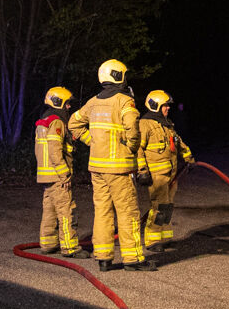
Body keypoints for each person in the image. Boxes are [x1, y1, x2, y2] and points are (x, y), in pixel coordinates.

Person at [69, 59, 149, 271]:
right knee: (127, 212)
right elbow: (132, 128)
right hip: (119, 169)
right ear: (118, 76)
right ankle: (133, 259)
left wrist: (91, 141)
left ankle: (103, 258)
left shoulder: (92, 102)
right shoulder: (124, 101)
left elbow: (73, 123)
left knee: (102, 212)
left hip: (97, 168)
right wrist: (132, 147)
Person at [137, 89, 193, 257]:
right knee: (159, 207)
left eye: (168, 105)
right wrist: (142, 171)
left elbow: (178, 142)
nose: (168, 108)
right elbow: (138, 149)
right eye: (165, 105)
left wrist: (189, 157)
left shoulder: (166, 124)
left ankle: (165, 236)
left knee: (167, 206)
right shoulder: (145, 124)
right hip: (157, 175)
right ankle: (152, 240)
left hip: (171, 174)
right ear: (155, 106)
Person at [34, 86, 82, 256]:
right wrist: (64, 175)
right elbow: (55, 150)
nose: (69, 106)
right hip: (57, 176)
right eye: (67, 103)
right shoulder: (57, 122)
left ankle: (48, 244)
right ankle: (70, 248)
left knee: (49, 211)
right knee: (66, 211)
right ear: (58, 102)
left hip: (46, 176)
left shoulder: (44, 121)